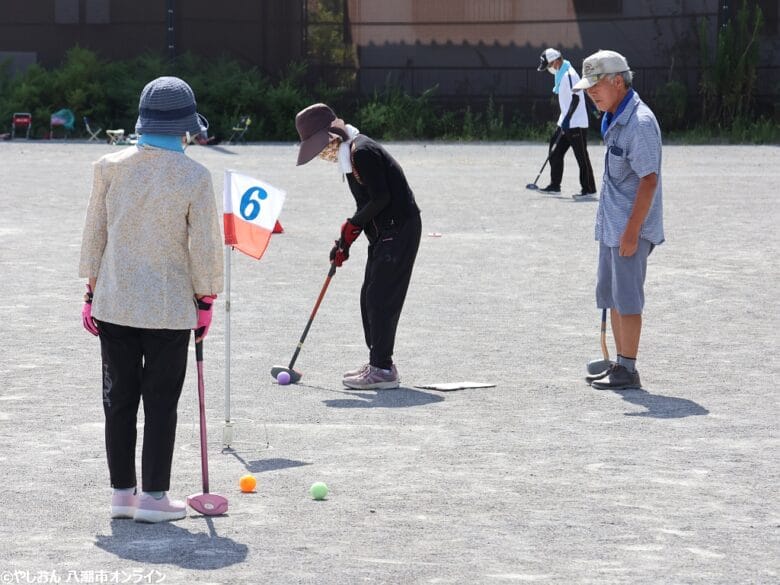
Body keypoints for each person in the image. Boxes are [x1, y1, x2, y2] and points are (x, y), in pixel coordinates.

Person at [79, 76, 224, 522]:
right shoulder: (196, 176)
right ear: (184, 126)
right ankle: (155, 498)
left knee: (118, 399)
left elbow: (94, 233)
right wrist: (206, 300)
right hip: (168, 306)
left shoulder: (109, 165)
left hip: (114, 299)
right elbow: (204, 247)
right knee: (161, 402)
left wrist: (90, 291)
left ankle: (122, 493)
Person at [294, 103, 422, 390]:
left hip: (399, 229)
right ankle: (378, 361)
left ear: (332, 136)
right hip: (384, 232)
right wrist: (345, 241)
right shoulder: (350, 154)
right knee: (369, 296)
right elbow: (367, 204)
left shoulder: (361, 152)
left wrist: (352, 226)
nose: (321, 155)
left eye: (320, 147)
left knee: (380, 297)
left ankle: (383, 369)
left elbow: (381, 198)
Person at [573, 50, 664, 390]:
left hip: (629, 229)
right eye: (589, 87)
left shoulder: (638, 123)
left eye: (596, 85)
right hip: (612, 226)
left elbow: (648, 180)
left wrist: (631, 233)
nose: (591, 93)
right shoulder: (614, 116)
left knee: (627, 299)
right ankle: (618, 364)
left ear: (618, 82)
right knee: (611, 296)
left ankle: (628, 368)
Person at [536, 47, 597, 197]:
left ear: (556, 61)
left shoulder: (569, 75)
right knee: (554, 151)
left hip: (576, 124)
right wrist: (564, 122)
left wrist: (567, 120)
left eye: (549, 65)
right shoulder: (561, 75)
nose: (549, 69)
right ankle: (555, 185)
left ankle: (589, 189)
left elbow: (576, 98)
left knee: (581, 156)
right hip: (566, 121)